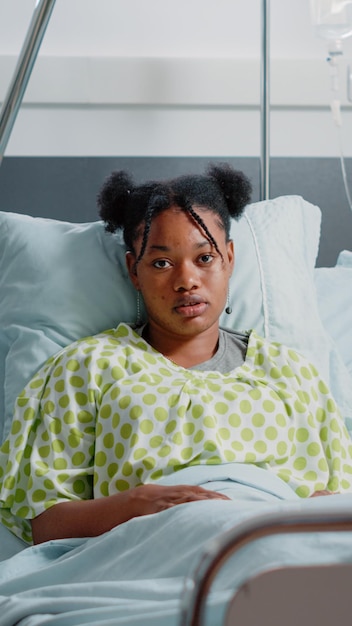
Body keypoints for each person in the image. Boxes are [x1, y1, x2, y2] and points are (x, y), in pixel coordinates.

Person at [0, 162, 351, 546]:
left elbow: (338, 501)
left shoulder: (291, 374)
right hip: (152, 549)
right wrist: (135, 504)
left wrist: (317, 509)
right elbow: (46, 524)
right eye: (161, 263)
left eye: (204, 258)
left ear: (229, 259)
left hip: (274, 545)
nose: (186, 281)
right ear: (134, 271)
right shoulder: (88, 368)